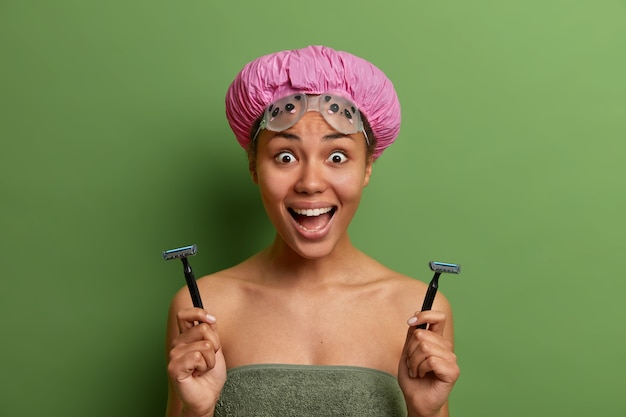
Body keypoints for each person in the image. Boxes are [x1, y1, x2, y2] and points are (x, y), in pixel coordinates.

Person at [165, 45, 460, 417]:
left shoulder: (419, 310)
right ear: (254, 167)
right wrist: (197, 410)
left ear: (367, 167)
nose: (310, 183)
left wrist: (426, 412)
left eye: (337, 156)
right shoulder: (203, 307)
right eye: (285, 157)